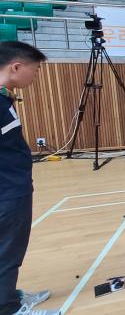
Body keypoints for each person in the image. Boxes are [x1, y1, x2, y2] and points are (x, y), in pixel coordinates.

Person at [0, 42, 56, 315]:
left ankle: (9, 296)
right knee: (7, 251)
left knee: (9, 249)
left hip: (12, 185)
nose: (36, 75)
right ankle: (8, 308)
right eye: (35, 69)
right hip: (7, 190)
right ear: (16, 67)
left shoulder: (4, 98)